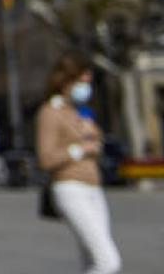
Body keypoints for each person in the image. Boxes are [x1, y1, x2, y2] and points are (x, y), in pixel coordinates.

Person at [36, 55, 121, 274]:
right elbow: (45, 159)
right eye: (82, 82)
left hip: (94, 187)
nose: (86, 87)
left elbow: (96, 146)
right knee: (107, 261)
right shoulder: (50, 112)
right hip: (70, 188)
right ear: (65, 81)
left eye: (88, 82)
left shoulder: (79, 112)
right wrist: (79, 149)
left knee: (91, 261)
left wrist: (93, 140)